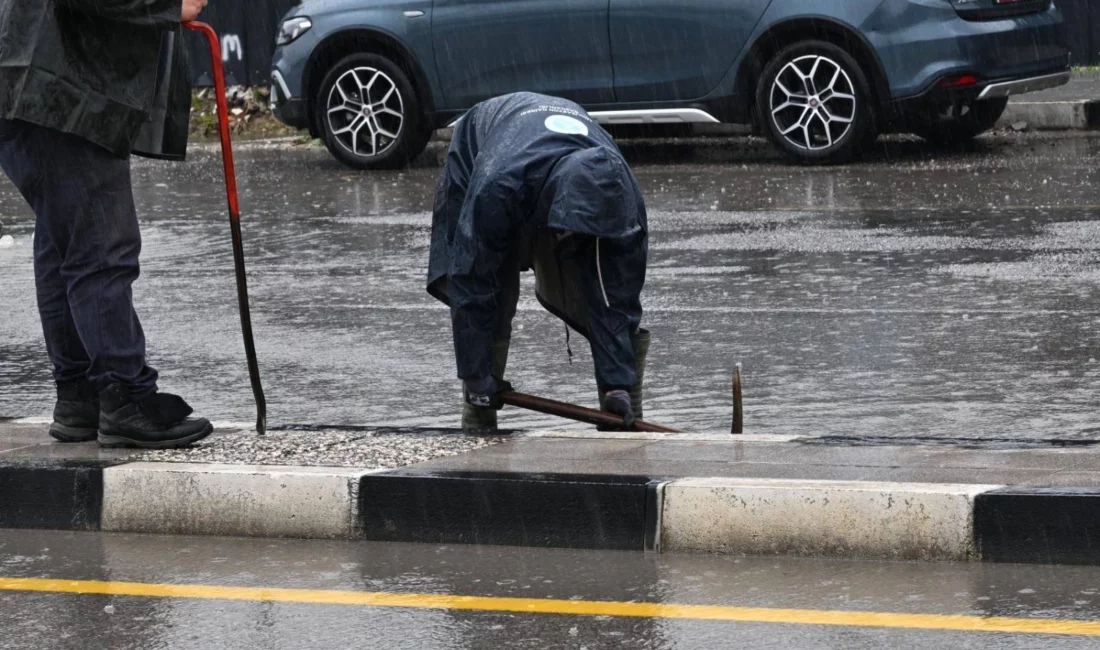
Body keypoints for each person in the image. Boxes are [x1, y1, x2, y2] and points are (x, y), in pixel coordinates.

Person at [0, 0, 213, 448]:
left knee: (66, 241)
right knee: (99, 246)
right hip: (64, 89)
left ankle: (82, 396)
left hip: (41, 79)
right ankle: (124, 397)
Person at [427, 92, 650, 432]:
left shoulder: (623, 196)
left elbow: (615, 295)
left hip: (539, 153)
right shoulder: (498, 185)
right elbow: (472, 278)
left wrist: (617, 385)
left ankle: (625, 407)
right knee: (495, 285)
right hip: (487, 148)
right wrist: (476, 376)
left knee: (603, 274)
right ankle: (478, 413)